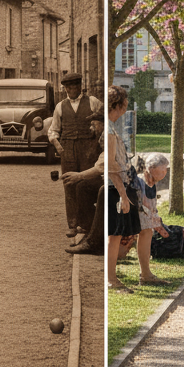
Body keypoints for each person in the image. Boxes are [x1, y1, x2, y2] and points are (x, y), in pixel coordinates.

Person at [47, 72, 103, 238]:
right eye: (68, 87)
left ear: (80, 86)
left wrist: (95, 130)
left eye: (75, 86)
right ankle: (72, 224)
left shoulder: (92, 102)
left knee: (86, 183)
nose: (71, 90)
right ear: (65, 89)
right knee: (69, 185)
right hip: (68, 149)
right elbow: (53, 130)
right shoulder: (60, 106)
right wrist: (58, 145)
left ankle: (86, 224)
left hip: (89, 149)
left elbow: (102, 119)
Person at [96, 85, 140, 292]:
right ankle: (111, 279)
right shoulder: (110, 129)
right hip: (115, 187)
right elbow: (111, 165)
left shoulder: (111, 127)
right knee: (113, 236)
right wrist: (123, 195)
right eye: (125, 103)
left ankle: (112, 277)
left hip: (117, 186)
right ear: (119, 105)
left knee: (115, 236)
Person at [122, 153, 171, 287]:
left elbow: (151, 207)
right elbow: (145, 206)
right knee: (145, 233)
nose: (165, 173)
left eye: (165, 170)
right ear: (151, 168)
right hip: (134, 216)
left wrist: (157, 222)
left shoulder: (151, 183)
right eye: (163, 170)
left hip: (143, 218)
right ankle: (145, 274)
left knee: (147, 232)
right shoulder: (141, 182)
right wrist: (157, 223)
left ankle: (146, 273)